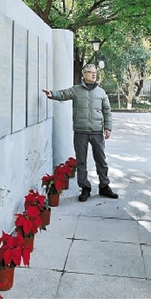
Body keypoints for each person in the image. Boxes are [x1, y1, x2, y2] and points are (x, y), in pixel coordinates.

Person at [42, 63, 118, 202]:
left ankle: (104, 186)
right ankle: (85, 187)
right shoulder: (76, 90)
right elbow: (64, 94)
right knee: (81, 161)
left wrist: (108, 127)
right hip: (80, 131)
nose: (93, 74)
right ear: (84, 74)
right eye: (90, 72)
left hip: (97, 131)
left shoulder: (101, 92)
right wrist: (52, 94)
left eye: (95, 72)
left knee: (101, 160)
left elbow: (107, 111)